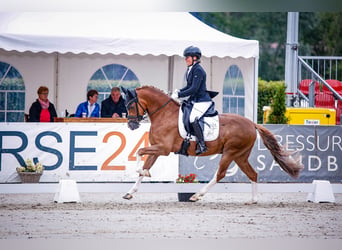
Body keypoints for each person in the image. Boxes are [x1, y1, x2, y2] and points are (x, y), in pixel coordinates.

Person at [171, 46, 214, 155]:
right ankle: (187, 138)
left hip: (202, 100)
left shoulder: (198, 70)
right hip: (195, 100)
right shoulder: (190, 69)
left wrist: (180, 94)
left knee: (193, 118)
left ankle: (202, 144)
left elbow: (194, 89)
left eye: (187, 57)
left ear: (195, 58)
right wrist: (178, 91)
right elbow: (188, 86)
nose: (185, 59)